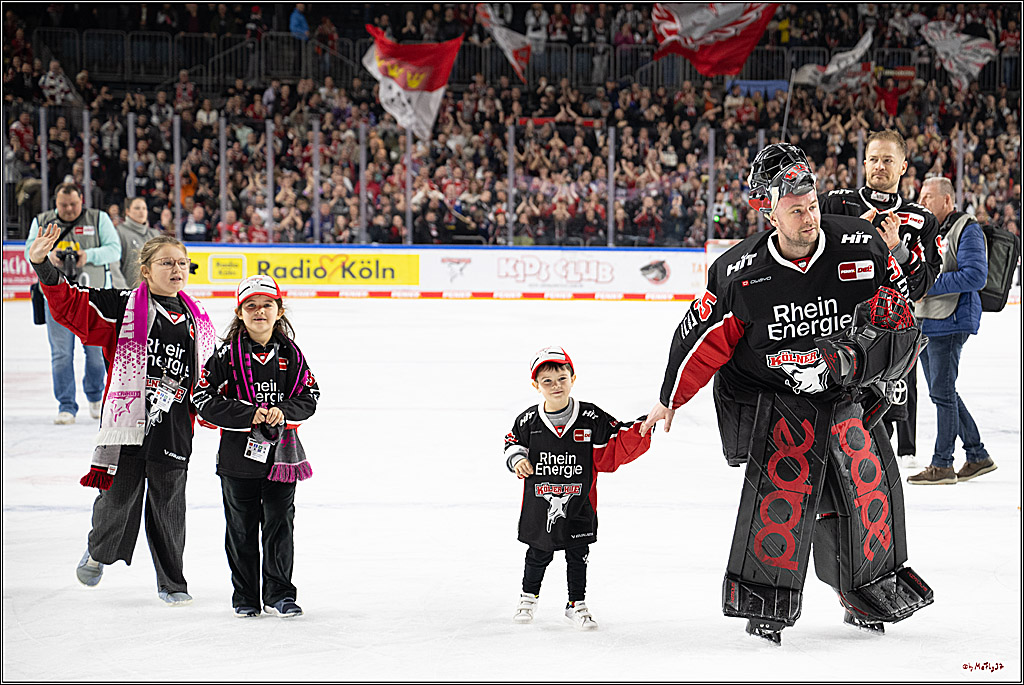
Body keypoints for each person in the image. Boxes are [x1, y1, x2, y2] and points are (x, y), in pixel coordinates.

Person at [641, 143, 933, 644]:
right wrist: (670, 397)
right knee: (785, 497)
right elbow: (699, 340)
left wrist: (850, 361)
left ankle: (864, 591)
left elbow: (898, 317)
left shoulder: (861, 244)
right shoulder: (739, 273)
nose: (808, 216)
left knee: (866, 492)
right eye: (795, 209)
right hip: (773, 399)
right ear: (768, 210)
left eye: (812, 204)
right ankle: (765, 602)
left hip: (843, 392)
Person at [27, 229, 217, 605]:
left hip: (174, 429)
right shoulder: (122, 306)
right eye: (167, 263)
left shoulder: (199, 321)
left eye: (182, 263)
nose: (177, 269)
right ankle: (98, 551)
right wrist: (41, 265)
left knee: (169, 508)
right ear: (145, 270)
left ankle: (172, 583)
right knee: (116, 502)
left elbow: (216, 371)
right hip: (127, 426)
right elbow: (72, 304)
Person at [193, 275, 320, 618]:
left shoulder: (292, 354)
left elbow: (311, 396)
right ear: (239, 312)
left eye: (267, 305)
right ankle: (245, 597)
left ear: (279, 311)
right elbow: (202, 397)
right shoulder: (225, 355)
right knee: (241, 527)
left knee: (280, 523)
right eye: (251, 306)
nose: (259, 311)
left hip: (282, 458)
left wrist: (285, 412)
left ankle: (280, 594)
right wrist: (249, 414)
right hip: (238, 458)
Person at [505, 346, 652, 630]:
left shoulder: (591, 417)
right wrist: (518, 458)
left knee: (577, 555)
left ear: (573, 378)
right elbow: (512, 441)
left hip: (580, 506)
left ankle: (576, 603)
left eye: (562, 378)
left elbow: (616, 438)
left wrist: (644, 426)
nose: (555, 385)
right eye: (547, 380)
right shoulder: (527, 420)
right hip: (540, 506)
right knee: (538, 554)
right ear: (535, 385)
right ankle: (528, 597)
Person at [819, 129, 942, 463]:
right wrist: (853, 237)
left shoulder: (921, 220)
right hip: (840, 328)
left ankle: (900, 465)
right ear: (863, 162)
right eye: (873, 159)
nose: (879, 166)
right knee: (836, 421)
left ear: (903, 167)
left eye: (888, 160)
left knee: (886, 427)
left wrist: (897, 249)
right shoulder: (836, 204)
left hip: (893, 336)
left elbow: (922, 286)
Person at [909, 177, 996, 485]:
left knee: (942, 394)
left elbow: (975, 276)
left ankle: (943, 464)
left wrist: (927, 285)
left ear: (947, 201)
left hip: (951, 320)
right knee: (943, 392)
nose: (921, 202)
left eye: (927, 197)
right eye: (919, 196)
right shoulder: (932, 231)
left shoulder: (967, 228)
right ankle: (977, 455)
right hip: (930, 320)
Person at [24, 182, 126, 424]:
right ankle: (66, 405)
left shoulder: (98, 218)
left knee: (95, 353)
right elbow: (30, 251)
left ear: (81, 200)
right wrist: (46, 257)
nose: (68, 209)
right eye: (63, 205)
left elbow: (115, 250)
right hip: (56, 297)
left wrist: (87, 256)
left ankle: (95, 396)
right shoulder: (42, 220)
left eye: (73, 204)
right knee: (60, 354)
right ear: (55, 203)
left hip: (94, 299)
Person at [117, 197, 163, 288]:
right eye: (137, 208)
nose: (141, 212)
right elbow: (114, 267)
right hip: (129, 292)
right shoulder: (119, 232)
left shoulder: (155, 234)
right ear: (127, 211)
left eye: (144, 208)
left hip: (153, 292)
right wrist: (122, 290)